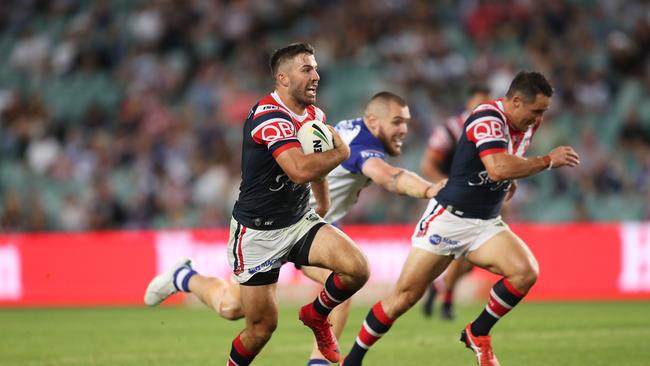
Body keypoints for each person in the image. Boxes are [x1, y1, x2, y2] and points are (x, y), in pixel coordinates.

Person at [144, 42, 370, 365]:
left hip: (298, 222)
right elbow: (299, 169)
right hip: (258, 234)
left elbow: (316, 165)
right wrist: (342, 154)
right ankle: (184, 277)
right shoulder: (268, 116)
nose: (316, 75)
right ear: (283, 78)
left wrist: (322, 205)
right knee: (249, 319)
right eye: (307, 69)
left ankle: (317, 317)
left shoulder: (313, 115)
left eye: (316, 68)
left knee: (357, 269)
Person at [341, 71, 580, 366]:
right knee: (403, 298)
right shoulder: (487, 118)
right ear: (516, 101)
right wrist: (544, 162)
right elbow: (496, 168)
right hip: (449, 218)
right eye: (536, 110)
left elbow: (505, 163)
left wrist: (513, 175)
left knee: (525, 271)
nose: (539, 117)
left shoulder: (528, 122)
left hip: (485, 222)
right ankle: (353, 359)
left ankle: (478, 332)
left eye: (543, 111)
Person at [300, 91, 444, 365]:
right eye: (397, 121)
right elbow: (387, 176)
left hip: (314, 221)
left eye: (406, 121)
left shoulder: (356, 131)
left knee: (340, 284)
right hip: (289, 222)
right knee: (236, 305)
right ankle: (189, 277)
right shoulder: (363, 145)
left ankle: (318, 363)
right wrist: (430, 189)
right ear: (373, 121)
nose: (404, 129)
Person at [420, 85, 491, 321]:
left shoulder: (492, 130)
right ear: (468, 104)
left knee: (469, 261)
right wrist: (447, 185)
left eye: (485, 105)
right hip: (450, 200)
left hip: (479, 198)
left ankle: (440, 289)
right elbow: (428, 163)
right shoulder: (451, 130)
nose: (481, 110)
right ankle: (447, 300)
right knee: (460, 254)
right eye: (477, 104)